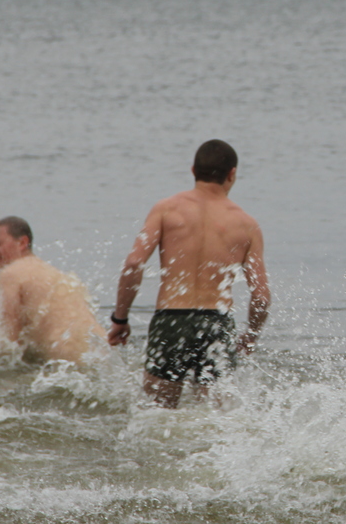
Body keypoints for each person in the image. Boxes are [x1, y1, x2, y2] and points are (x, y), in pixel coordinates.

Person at [108, 139, 270, 408]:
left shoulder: (166, 209)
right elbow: (262, 296)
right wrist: (250, 336)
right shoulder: (247, 225)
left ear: (193, 170)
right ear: (232, 174)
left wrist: (120, 318)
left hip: (171, 320)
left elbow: (134, 264)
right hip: (217, 324)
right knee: (213, 422)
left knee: (157, 416)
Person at [0, 216, 108, 363]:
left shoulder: (11, 273)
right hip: (101, 351)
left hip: (65, 356)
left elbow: (10, 339)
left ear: (22, 243)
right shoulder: (51, 272)